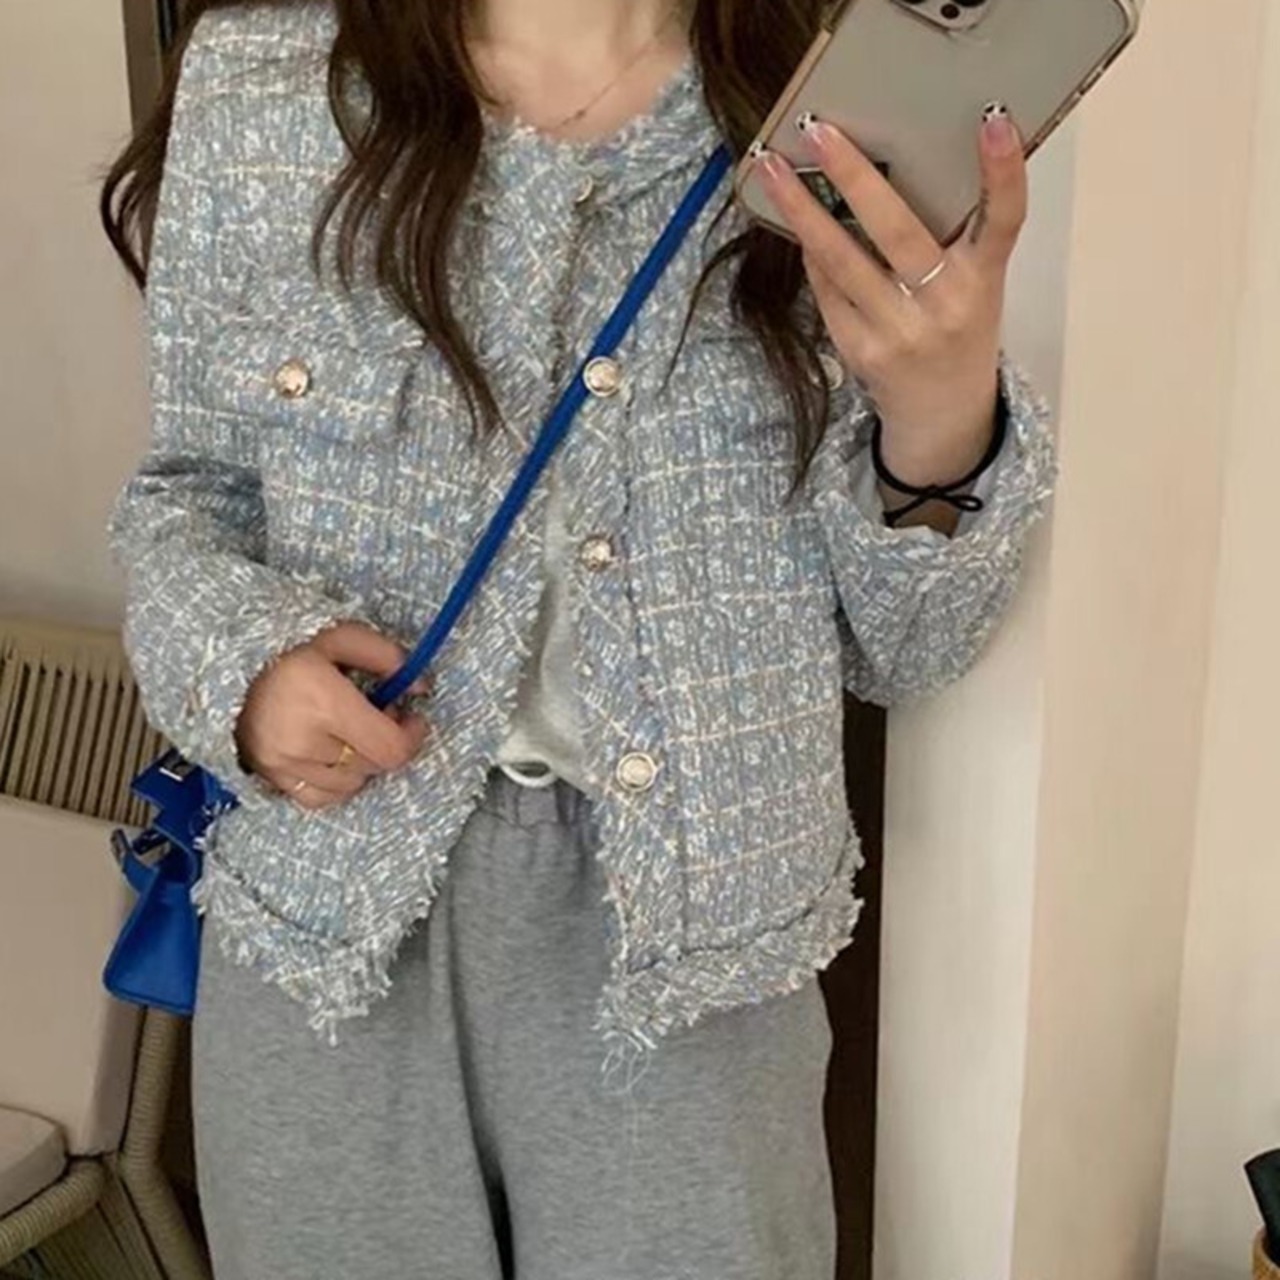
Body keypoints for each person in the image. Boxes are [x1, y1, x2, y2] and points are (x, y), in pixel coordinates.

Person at [102, 0, 1058, 1275]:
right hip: (324, 918)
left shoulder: (828, 116)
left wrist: (939, 419)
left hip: (698, 954)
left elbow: (908, 648)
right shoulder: (262, 82)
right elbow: (184, 497)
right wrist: (245, 673)